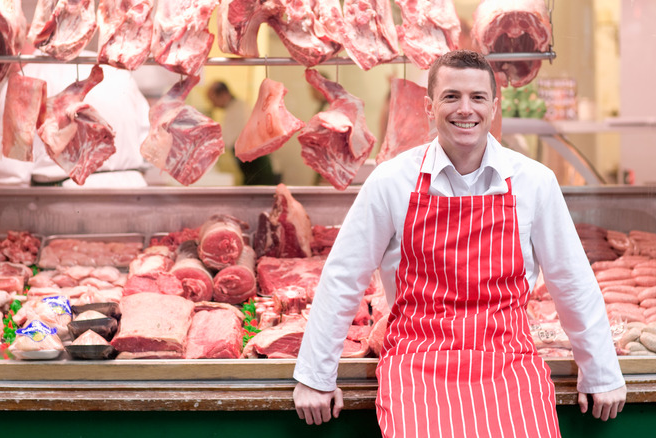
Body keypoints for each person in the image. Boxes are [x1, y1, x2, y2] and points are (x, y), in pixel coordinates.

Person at [292, 50, 626, 435]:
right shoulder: (391, 181)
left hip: (508, 367)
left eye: (477, 98)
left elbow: (571, 280)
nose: (465, 109)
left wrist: (600, 371)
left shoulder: (535, 181)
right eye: (451, 96)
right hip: (418, 367)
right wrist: (316, 375)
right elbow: (343, 277)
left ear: (494, 107)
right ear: (428, 107)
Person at [0, 51, 151, 188]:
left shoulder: (26, 79)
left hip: (64, 204)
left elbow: (9, 174)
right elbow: (147, 144)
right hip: (132, 196)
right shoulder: (115, 71)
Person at [205, 80, 279, 185]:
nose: (212, 104)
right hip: (250, 166)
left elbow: (227, 140)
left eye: (212, 99)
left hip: (258, 166)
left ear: (224, 94)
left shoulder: (239, 108)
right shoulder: (232, 108)